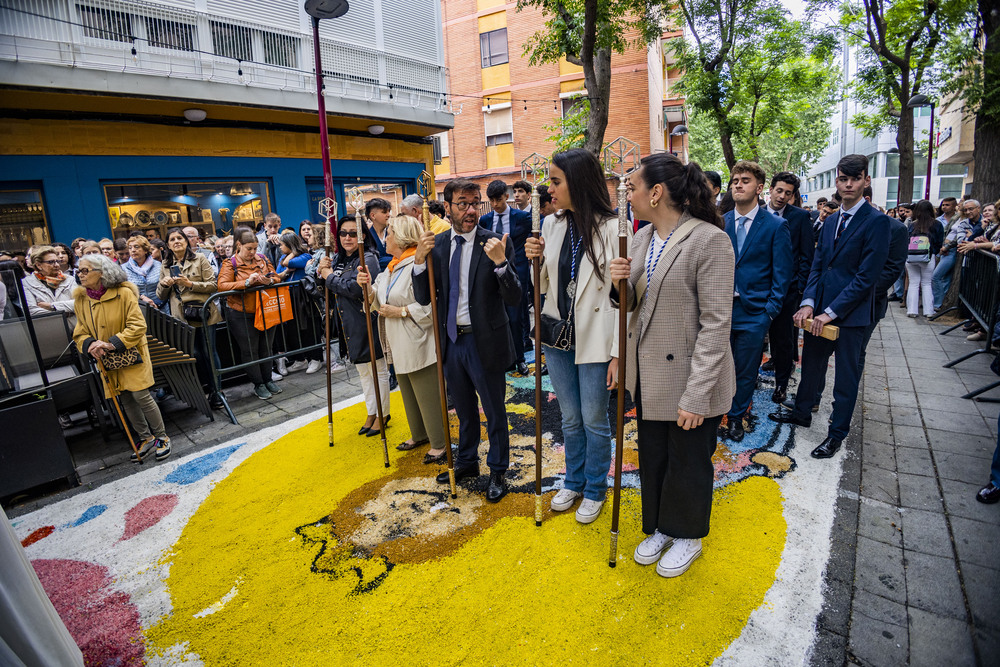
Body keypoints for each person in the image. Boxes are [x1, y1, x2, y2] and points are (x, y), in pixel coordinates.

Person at [609, 152, 735, 578]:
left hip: (691, 377)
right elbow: (632, 308)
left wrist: (698, 396)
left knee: (688, 461)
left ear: (656, 192)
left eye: (633, 186)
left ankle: (688, 534)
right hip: (650, 375)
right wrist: (618, 284)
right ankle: (662, 525)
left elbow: (716, 326)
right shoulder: (642, 239)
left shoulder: (709, 240)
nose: (628, 193)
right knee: (655, 456)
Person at [524, 148, 625, 523]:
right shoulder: (550, 225)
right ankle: (574, 479)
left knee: (594, 418)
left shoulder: (614, 229)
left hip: (596, 338)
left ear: (578, 183)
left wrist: (618, 353)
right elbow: (545, 286)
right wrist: (532, 259)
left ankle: (596, 487)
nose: (549, 190)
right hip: (557, 335)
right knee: (569, 417)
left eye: (555, 182)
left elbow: (622, 300)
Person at [770, 154, 891, 459]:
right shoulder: (832, 219)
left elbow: (866, 278)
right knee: (811, 368)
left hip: (851, 316)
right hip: (818, 311)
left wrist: (831, 311)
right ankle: (801, 413)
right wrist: (809, 303)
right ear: (837, 182)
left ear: (866, 181)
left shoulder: (877, 222)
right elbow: (817, 265)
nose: (849, 184)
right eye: (843, 178)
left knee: (846, 379)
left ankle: (836, 434)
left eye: (855, 178)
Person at [412, 177, 521, 502]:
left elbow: (515, 297)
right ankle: (467, 462)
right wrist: (419, 261)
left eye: (476, 203)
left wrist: (501, 263)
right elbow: (423, 297)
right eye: (464, 204)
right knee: (464, 410)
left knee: (494, 410)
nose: (472, 210)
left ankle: (498, 469)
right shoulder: (439, 244)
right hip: (452, 342)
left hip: (485, 341)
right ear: (448, 207)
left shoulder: (496, 242)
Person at [357, 215, 446, 458]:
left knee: (426, 392)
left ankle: (439, 442)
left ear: (403, 236)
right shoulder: (392, 265)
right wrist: (367, 288)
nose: (385, 237)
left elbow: (431, 306)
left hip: (418, 338)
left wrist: (401, 311)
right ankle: (419, 434)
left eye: (390, 232)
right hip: (398, 339)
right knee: (407, 389)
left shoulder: (418, 263)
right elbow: (378, 301)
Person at [73, 253, 171, 462]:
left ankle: (162, 437)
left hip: (131, 353)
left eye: (85, 270)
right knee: (125, 398)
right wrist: (91, 345)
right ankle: (146, 438)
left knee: (141, 396)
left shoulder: (124, 293)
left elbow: (137, 326)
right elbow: (79, 332)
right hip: (107, 359)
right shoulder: (81, 299)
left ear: (102, 273)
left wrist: (112, 343)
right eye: (79, 270)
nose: (80, 274)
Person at [721, 161, 792, 441]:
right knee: (716, 366)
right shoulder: (720, 221)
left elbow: (782, 273)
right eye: (735, 180)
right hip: (721, 310)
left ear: (759, 188)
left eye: (745, 180)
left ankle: (736, 418)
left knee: (745, 369)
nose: (738, 184)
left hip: (754, 312)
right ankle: (716, 413)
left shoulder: (775, 225)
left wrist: (769, 312)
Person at [318, 216, 389, 435]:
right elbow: (326, 287)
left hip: (366, 319)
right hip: (347, 322)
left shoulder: (368, 257)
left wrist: (328, 277)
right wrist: (322, 270)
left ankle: (383, 413)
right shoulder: (338, 259)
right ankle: (371, 411)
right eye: (343, 233)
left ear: (363, 236)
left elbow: (357, 290)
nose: (347, 238)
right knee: (363, 371)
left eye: (353, 233)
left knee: (377, 369)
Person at [157, 228, 223, 409]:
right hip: (182, 317)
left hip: (203, 314)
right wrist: (164, 285)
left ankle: (217, 392)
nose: (176, 241)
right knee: (195, 354)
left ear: (186, 241)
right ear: (168, 245)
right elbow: (161, 296)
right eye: (172, 239)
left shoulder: (200, 258)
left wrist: (190, 284)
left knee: (210, 352)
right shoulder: (165, 265)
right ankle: (205, 389)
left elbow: (213, 285)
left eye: (180, 238)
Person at [765, 172, 815, 405]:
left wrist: (800, 290)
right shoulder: (757, 214)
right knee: (753, 337)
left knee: (783, 340)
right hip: (758, 289)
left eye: (788, 193)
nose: (782, 196)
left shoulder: (800, 218)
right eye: (779, 191)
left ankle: (782, 384)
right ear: (770, 189)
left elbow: (806, 256)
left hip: (788, 290)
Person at [217, 226, 283, 400]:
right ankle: (258, 384)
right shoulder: (229, 263)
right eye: (249, 249)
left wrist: (269, 280)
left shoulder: (262, 258)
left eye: (255, 248)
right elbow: (222, 286)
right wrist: (246, 283)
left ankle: (268, 380)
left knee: (266, 347)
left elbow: (276, 277)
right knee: (250, 350)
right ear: (239, 245)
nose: (253, 252)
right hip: (240, 313)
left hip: (265, 309)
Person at [479, 180, 532, 375]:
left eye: (498, 200)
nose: (495, 204)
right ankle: (503, 357)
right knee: (495, 317)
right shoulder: (485, 220)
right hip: (492, 275)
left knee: (516, 317)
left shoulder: (522, 218)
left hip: (517, 271)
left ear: (506, 197)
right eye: (491, 201)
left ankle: (519, 358)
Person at [275, 231, 323, 375]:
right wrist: (286, 262)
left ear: (290, 245)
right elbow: (278, 274)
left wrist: (289, 258)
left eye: (282, 245)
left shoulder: (306, 256)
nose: (280, 248)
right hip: (289, 297)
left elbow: (289, 263)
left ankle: (316, 358)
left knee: (309, 328)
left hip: (304, 297)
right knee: (293, 330)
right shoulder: (283, 257)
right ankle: (300, 359)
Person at [933, 199, 982, 310]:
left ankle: (938, 303)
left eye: (971, 209)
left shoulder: (983, 222)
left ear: (978, 209)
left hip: (954, 252)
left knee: (936, 276)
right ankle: (941, 302)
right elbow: (959, 239)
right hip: (947, 249)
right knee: (943, 277)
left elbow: (963, 241)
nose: (968, 211)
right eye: (965, 209)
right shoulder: (961, 221)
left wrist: (972, 235)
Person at [903, 200, 944, 317]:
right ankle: (928, 311)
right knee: (926, 283)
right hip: (927, 257)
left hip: (911, 257)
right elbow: (938, 243)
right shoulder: (937, 224)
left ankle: (911, 310)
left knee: (914, 283)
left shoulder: (912, 225)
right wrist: (933, 253)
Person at [22, 245, 77, 318]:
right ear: (39, 265)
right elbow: (32, 310)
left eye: (57, 261)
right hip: (48, 326)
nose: (57, 265)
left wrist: (52, 306)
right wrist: (64, 312)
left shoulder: (69, 279)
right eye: (51, 262)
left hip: (73, 326)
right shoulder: (26, 283)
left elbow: (79, 303)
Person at [122, 235, 163, 309]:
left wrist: (156, 304)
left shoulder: (158, 265)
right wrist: (141, 297)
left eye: (136, 247)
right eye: (130, 248)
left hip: (160, 308)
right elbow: (124, 291)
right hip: (137, 308)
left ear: (146, 250)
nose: (133, 250)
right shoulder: (124, 268)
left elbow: (166, 289)